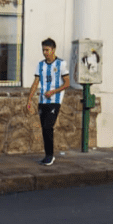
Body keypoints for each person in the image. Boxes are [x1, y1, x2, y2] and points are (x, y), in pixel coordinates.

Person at [26, 37, 69, 166]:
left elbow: (67, 83)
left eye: (47, 50)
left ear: (53, 50)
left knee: (48, 126)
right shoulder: (40, 65)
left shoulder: (61, 64)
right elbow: (35, 82)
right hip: (42, 101)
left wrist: (53, 92)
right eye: (43, 50)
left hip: (55, 100)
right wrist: (29, 99)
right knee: (44, 129)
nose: (45, 52)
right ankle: (47, 155)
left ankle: (50, 155)